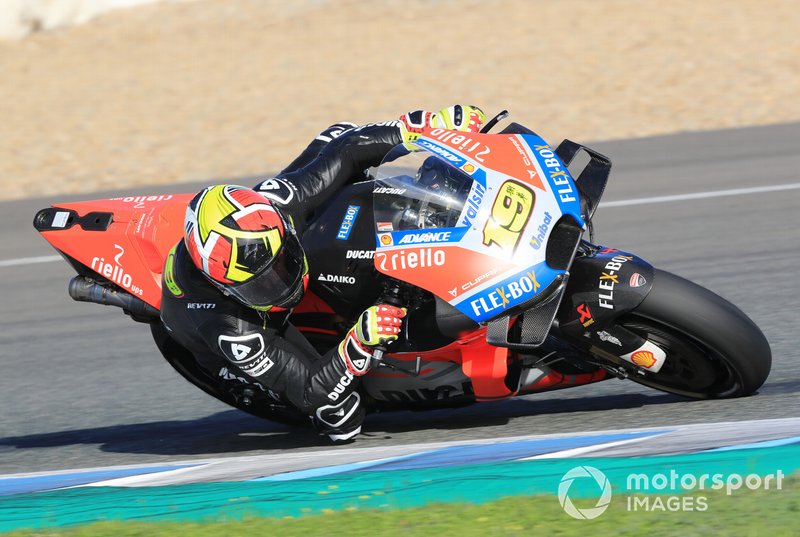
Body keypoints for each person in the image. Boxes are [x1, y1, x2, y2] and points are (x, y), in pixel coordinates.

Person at [159, 105, 486, 441]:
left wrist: (421, 129)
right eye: (262, 283)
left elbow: (347, 151)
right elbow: (312, 391)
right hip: (255, 326)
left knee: (337, 134)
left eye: (281, 264)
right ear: (226, 287)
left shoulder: (277, 206)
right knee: (341, 417)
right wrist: (358, 342)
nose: (280, 285)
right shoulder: (231, 329)